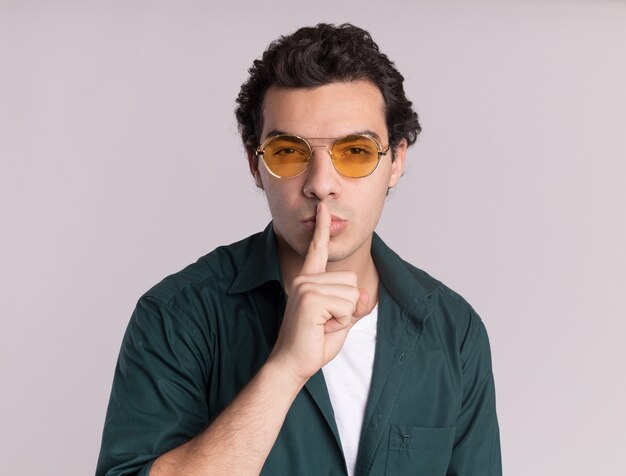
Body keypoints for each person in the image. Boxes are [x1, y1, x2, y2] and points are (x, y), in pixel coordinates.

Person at [96, 23, 501, 476]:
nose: (321, 185)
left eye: (356, 151)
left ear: (396, 161)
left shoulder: (454, 331)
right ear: (256, 165)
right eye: (289, 152)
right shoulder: (177, 316)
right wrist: (285, 368)